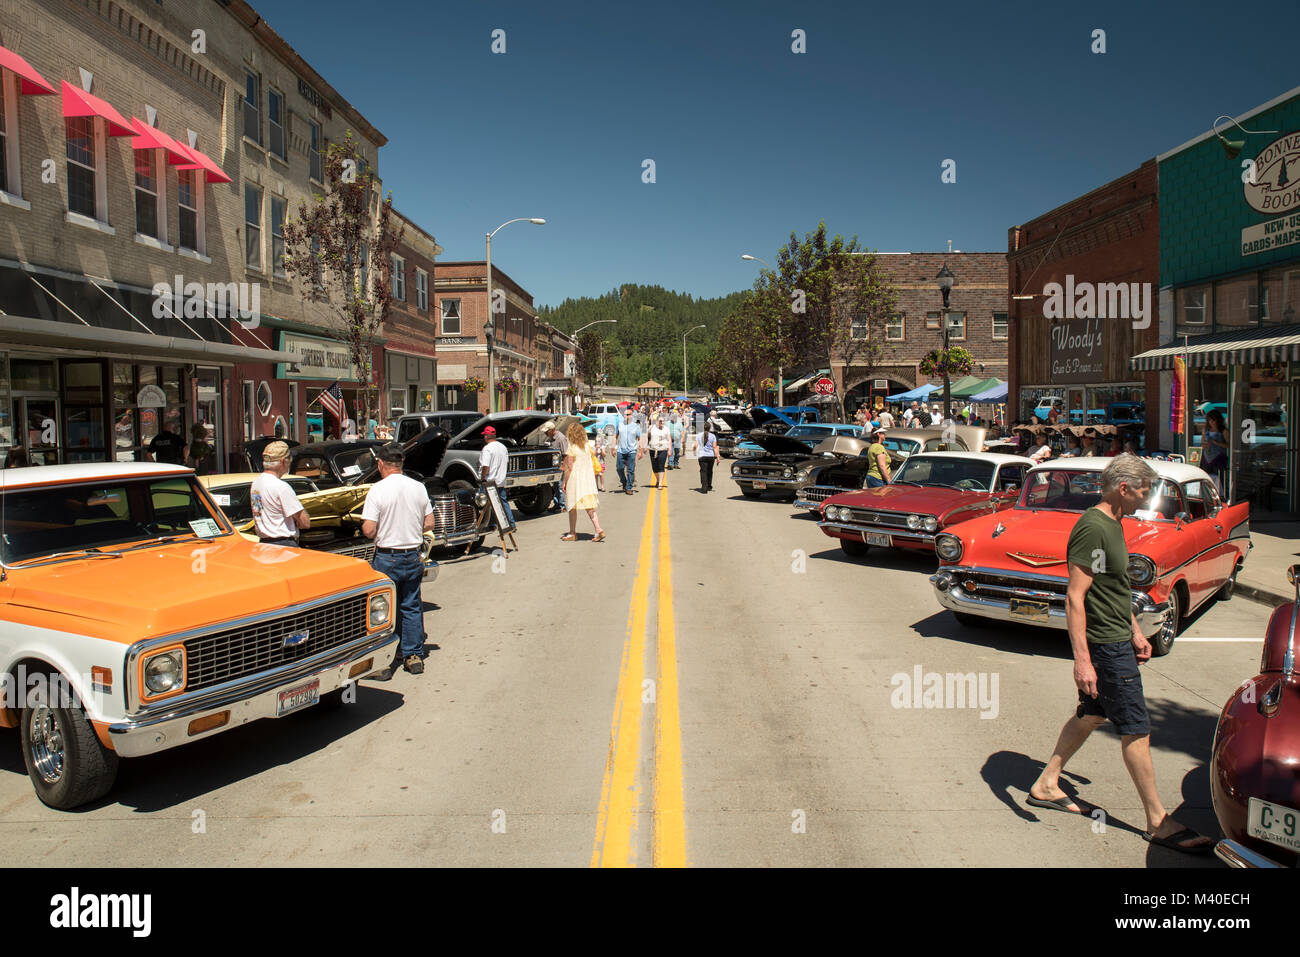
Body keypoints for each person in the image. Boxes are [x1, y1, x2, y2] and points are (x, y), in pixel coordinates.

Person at [1027, 455, 1212, 855]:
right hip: (1104, 647)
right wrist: (1083, 660)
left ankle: (1046, 783)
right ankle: (1158, 820)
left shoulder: (1115, 523)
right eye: (1144, 489)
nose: (1148, 497)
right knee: (1136, 728)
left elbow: (1114, 587)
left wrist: (1135, 632)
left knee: (1091, 714)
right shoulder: (1093, 528)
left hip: (1117, 638)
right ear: (1123, 488)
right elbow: (1075, 597)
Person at [361, 443, 436, 680]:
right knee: (411, 604)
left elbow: (369, 529)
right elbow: (430, 523)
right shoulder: (418, 487)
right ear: (401, 464)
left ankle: (384, 662)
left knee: (384, 608)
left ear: (381, 464)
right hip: (413, 554)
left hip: (387, 556)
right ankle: (413, 655)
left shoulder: (377, 490)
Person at [250, 441, 311, 546]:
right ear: (283, 462)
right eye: (289, 458)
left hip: (264, 544)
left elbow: (258, 511)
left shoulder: (255, 484)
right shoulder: (281, 487)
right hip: (283, 544)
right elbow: (305, 523)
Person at [559, 422, 605, 542]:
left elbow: (569, 468)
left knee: (572, 507)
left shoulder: (572, 448)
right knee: (590, 508)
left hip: (575, 482)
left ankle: (572, 533)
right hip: (588, 481)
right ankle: (598, 529)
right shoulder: (587, 447)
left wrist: (564, 482)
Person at [478, 425, 515, 529]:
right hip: (501, 480)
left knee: (484, 503)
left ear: (486, 436)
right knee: (502, 502)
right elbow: (506, 462)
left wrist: (482, 478)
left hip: (489, 481)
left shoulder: (487, 449)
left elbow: (486, 466)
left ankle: (487, 524)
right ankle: (511, 524)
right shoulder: (503, 447)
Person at [614, 407, 644, 494]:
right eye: (625, 415)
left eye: (628, 415)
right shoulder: (619, 424)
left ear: (631, 415)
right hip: (621, 450)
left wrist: (640, 451)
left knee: (630, 470)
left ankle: (629, 487)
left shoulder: (636, 426)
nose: (626, 416)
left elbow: (639, 438)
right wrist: (613, 447)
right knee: (619, 468)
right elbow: (615, 436)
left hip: (632, 450)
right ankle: (624, 482)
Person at [543, 420, 569, 512]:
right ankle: (557, 504)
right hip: (555, 466)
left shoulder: (561, 438)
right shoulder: (552, 437)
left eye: (547, 431)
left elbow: (565, 454)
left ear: (552, 430)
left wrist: (563, 466)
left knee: (560, 485)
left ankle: (562, 506)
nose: (545, 433)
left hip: (560, 466)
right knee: (555, 485)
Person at [1201, 409, 1228, 494]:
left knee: (1218, 479)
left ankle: (1220, 495)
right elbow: (1202, 443)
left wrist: (1216, 443)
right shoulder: (1205, 430)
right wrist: (1205, 445)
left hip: (1219, 458)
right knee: (1206, 478)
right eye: (1209, 420)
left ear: (1218, 420)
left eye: (1213, 420)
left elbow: (1229, 445)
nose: (1211, 422)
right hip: (1206, 458)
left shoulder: (1223, 431)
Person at [648, 415, 672, 489]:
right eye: (660, 421)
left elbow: (669, 439)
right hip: (652, 449)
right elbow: (647, 436)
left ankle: (660, 483)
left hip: (663, 449)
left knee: (661, 466)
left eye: (663, 421)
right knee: (654, 467)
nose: (662, 422)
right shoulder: (651, 428)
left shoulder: (666, 429)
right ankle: (658, 480)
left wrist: (670, 449)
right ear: (657, 421)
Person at [696, 419, 718, 492]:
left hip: (702, 456)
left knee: (703, 471)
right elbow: (715, 447)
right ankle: (709, 486)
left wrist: (693, 451)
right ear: (709, 428)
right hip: (711, 456)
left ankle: (704, 487)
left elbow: (695, 445)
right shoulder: (713, 436)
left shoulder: (699, 435)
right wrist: (717, 457)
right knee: (710, 471)